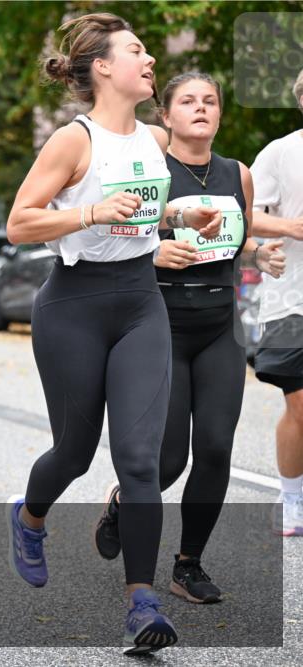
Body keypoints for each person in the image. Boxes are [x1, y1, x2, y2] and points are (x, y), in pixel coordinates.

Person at [4, 13, 222, 655]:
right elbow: (19, 223)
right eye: (137, 51)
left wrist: (184, 211)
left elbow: (145, 211)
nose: (150, 59)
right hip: (73, 305)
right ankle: (29, 516)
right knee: (73, 452)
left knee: (140, 460)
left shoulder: (155, 140)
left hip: (139, 303)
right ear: (102, 67)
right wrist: (90, 210)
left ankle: (142, 604)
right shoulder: (74, 140)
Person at [92, 72, 286, 604]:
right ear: (167, 115)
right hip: (161, 326)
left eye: (210, 101)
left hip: (219, 327)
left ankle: (188, 565)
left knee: (217, 449)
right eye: (188, 101)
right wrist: (153, 253)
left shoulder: (236, 174)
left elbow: (236, 241)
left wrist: (258, 256)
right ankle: (120, 505)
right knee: (169, 459)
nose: (201, 108)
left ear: (219, 115)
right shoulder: (149, 171)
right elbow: (113, 235)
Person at [250, 68, 303, 537]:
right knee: (301, 406)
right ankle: (292, 499)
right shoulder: (282, 152)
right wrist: (288, 228)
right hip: (293, 300)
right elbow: (241, 212)